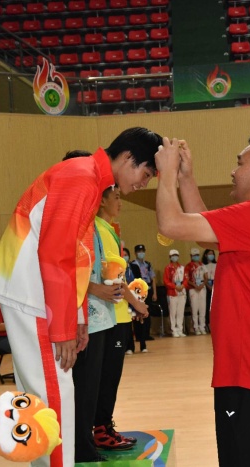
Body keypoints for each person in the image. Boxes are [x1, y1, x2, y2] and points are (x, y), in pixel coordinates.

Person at [0, 127, 161, 467]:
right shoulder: (81, 175)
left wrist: (78, 318)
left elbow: (77, 260)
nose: (144, 183)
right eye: (146, 174)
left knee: (44, 395)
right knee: (55, 394)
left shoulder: (88, 178)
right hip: (32, 290)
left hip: (32, 290)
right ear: (128, 159)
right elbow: (56, 255)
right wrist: (64, 327)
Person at [155, 132, 250, 466]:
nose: (233, 172)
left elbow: (172, 224)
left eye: (240, 163)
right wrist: (186, 179)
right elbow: (205, 235)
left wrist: (166, 173)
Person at [89, 187, 147, 455]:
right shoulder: (99, 230)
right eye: (116, 197)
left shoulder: (107, 229)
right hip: (111, 316)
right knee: (107, 378)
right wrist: (137, 303)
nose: (120, 203)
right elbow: (114, 279)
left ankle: (105, 426)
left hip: (117, 314)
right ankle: (101, 430)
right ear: (102, 201)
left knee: (111, 377)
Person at [131, 243, 157, 344]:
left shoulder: (148, 265)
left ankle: (146, 334)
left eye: (142, 251)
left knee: (147, 312)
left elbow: (153, 279)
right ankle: (138, 335)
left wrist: (154, 293)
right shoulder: (133, 265)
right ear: (135, 253)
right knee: (138, 312)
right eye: (139, 251)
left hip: (148, 290)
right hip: (138, 291)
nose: (141, 253)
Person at [163, 249, 188, 337]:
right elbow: (166, 281)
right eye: (173, 255)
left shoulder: (182, 268)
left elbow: (186, 278)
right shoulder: (167, 268)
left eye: (176, 255)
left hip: (182, 292)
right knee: (173, 312)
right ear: (170, 257)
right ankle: (174, 330)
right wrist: (175, 287)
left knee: (180, 312)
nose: (175, 257)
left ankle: (180, 329)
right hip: (172, 293)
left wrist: (183, 285)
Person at [185, 248, 208, 335]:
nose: (196, 256)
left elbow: (206, 277)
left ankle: (202, 327)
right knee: (195, 309)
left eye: (197, 255)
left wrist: (202, 284)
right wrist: (194, 285)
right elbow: (187, 279)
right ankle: (196, 327)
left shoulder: (202, 265)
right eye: (194, 255)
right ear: (191, 256)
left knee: (202, 308)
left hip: (202, 288)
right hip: (193, 289)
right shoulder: (188, 266)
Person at [122, 247, 141, 355]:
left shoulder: (133, 267)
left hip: (134, 296)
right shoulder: (119, 267)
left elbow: (139, 282)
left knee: (136, 320)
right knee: (127, 324)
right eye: (123, 254)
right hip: (123, 298)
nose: (125, 256)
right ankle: (128, 346)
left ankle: (140, 345)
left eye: (126, 255)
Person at [202, 249, 217, 332]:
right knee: (207, 306)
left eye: (212, 254)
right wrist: (208, 285)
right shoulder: (203, 266)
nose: (211, 255)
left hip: (216, 286)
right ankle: (208, 323)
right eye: (209, 254)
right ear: (205, 255)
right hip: (206, 286)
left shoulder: (217, 265)